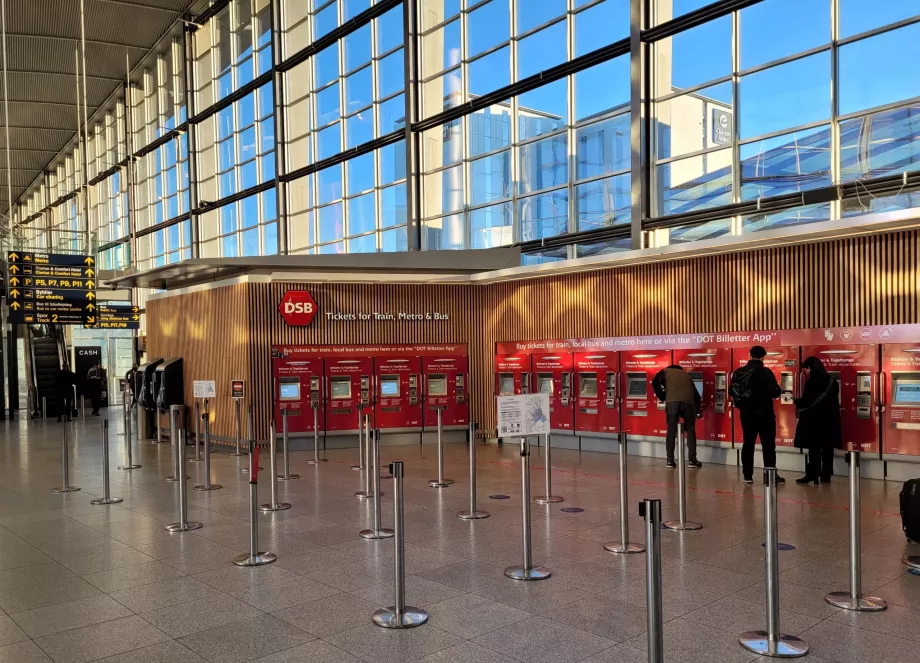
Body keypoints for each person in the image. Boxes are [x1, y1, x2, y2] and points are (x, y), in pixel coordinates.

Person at [732, 346, 786, 484]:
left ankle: (747, 475)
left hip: (747, 414)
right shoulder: (766, 372)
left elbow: (733, 392)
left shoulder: (739, 372)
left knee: (748, 443)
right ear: (763, 357)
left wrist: (743, 406)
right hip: (765, 414)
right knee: (768, 445)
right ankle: (770, 474)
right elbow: (775, 392)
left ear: (750, 355)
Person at [794, 356, 841, 484]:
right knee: (827, 448)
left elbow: (807, 401)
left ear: (810, 368)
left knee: (814, 448)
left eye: (805, 370)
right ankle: (826, 476)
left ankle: (813, 474)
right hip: (830, 420)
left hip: (814, 421)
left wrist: (796, 401)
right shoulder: (832, 381)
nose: (805, 373)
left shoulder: (812, 381)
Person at [652, 364, 703, 469]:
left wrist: (662, 396)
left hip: (672, 403)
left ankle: (670, 461)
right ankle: (692, 461)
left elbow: (654, 382)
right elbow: (696, 395)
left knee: (671, 430)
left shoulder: (665, 371)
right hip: (689, 403)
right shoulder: (686, 375)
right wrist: (698, 411)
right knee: (690, 429)